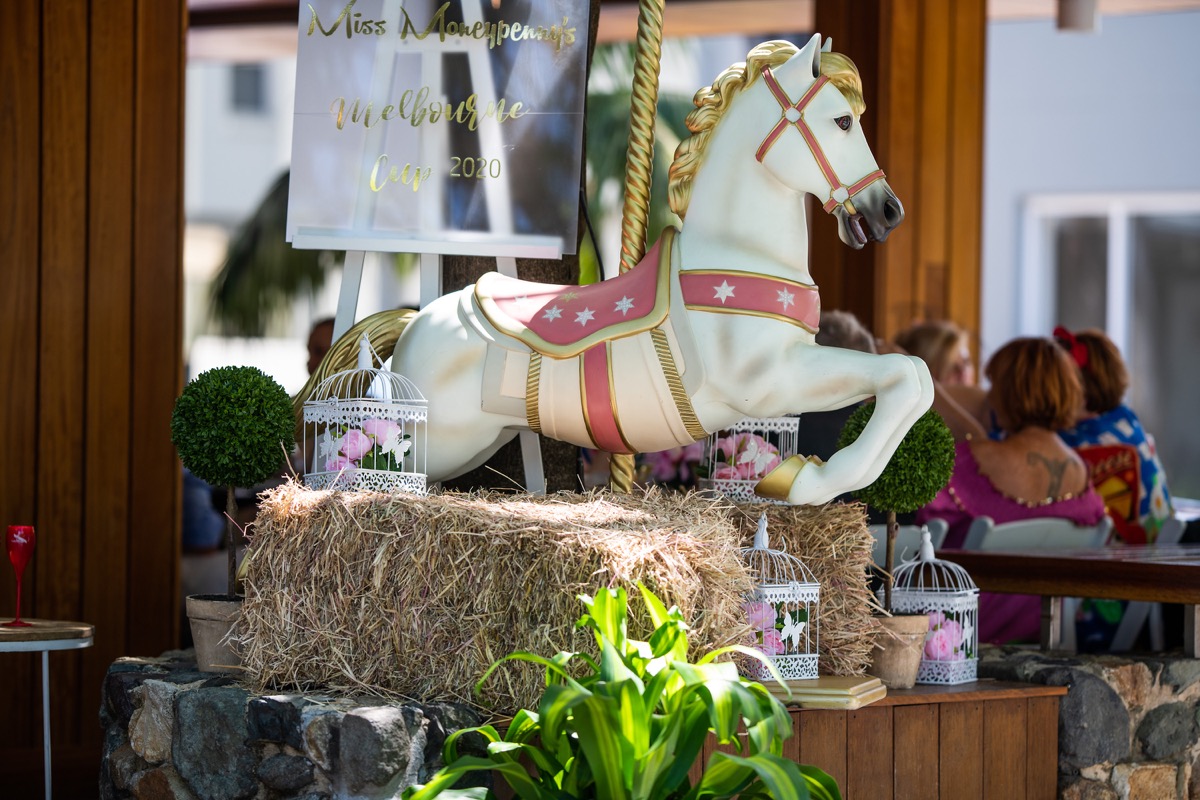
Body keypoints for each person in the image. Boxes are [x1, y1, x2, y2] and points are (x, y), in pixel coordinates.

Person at [917, 337, 1106, 644]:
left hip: (957, 638)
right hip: (1047, 637)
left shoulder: (973, 460)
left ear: (1007, 393)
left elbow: (926, 526)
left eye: (995, 386)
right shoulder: (1082, 473)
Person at [1054, 327, 1173, 544]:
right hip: (1155, 551)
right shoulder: (1125, 421)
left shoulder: (1085, 442)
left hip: (1122, 563)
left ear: (1076, 387)